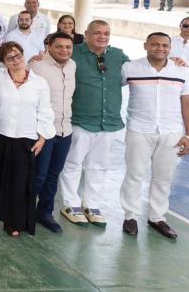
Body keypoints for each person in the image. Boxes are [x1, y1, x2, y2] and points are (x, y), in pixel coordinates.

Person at [119, 33, 189, 240]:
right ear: (145, 45)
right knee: (134, 175)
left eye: (164, 45)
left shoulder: (181, 70)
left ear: (170, 48)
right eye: (154, 44)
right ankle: (130, 216)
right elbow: (107, 86)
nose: (160, 48)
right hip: (139, 129)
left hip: (171, 132)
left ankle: (157, 218)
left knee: (163, 178)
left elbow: (188, 104)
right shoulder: (129, 68)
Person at [0, 41, 55, 237]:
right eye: (9, 58)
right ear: (3, 62)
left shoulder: (39, 83)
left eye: (18, 55)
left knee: (20, 183)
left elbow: (45, 111)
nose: (15, 60)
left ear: (23, 55)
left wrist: (42, 137)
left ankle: (14, 221)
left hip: (26, 139)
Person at [59, 20, 129, 227]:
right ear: (86, 34)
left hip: (109, 121)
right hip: (80, 119)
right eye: (97, 33)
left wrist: (174, 62)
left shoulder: (118, 55)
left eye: (106, 33)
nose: (102, 36)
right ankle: (70, 203)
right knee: (72, 163)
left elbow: (139, 72)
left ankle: (92, 203)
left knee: (99, 166)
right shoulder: (74, 52)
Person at [27, 32, 77, 233]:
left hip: (66, 130)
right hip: (43, 132)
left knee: (53, 175)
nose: (64, 50)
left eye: (68, 47)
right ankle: (25, 211)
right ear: (48, 46)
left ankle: (45, 212)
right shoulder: (36, 66)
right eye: (59, 46)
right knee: (38, 175)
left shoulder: (73, 65)